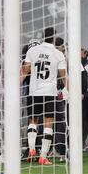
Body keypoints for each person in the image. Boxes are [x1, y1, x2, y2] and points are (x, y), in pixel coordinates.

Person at [21, 27, 67, 165]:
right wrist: (69, 92)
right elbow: (64, 77)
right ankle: (43, 156)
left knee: (33, 121)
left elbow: (24, 72)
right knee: (48, 124)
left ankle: (31, 149)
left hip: (34, 92)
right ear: (54, 38)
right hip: (49, 92)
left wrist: (13, 88)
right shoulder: (58, 54)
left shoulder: (32, 51)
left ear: (42, 36)